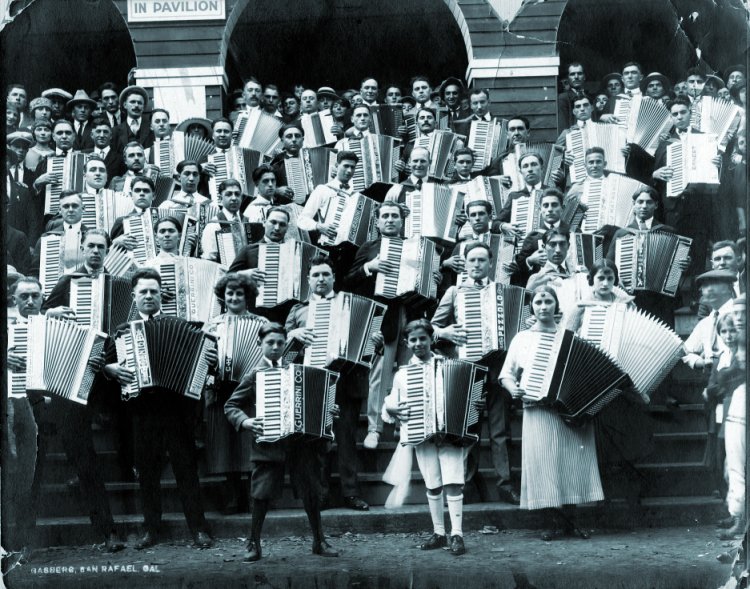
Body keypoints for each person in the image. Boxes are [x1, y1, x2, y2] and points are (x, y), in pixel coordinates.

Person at [102, 267, 214, 550]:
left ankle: (199, 529)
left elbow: (203, 363)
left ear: (161, 295)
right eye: (143, 292)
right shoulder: (122, 332)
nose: (149, 296)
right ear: (134, 296)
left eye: (154, 291)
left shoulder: (181, 326)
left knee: (186, 469)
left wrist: (208, 358)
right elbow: (103, 366)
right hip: (141, 411)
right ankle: (151, 530)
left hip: (176, 410)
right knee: (147, 472)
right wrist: (110, 369)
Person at [41, 229, 127, 552]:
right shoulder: (67, 282)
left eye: (100, 247)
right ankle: (108, 530)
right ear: (81, 248)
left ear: (107, 251)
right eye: (89, 246)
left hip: (106, 374)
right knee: (83, 451)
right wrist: (51, 313)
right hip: (74, 372)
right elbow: (41, 317)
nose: (94, 251)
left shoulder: (119, 284)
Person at [224, 322, 339, 561]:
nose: (276, 347)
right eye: (270, 343)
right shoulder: (254, 374)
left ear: (286, 344)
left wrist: (328, 409)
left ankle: (319, 541)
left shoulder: (297, 369)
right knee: (261, 494)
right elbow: (231, 405)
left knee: (311, 491)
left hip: (301, 444)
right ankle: (253, 543)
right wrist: (246, 422)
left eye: (280, 343)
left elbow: (315, 402)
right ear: (260, 344)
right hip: (269, 445)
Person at [500, 285, 601, 540]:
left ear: (557, 306)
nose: (543, 306)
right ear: (531, 307)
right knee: (544, 464)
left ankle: (571, 522)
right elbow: (506, 374)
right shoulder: (522, 338)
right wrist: (514, 390)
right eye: (538, 302)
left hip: (569, 409)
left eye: (548, 301)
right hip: (538, 409)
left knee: (571, 464)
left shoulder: (569, 337)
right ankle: (555, 523)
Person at [431, 242, 519, 505]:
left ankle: (505, 484)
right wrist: (445, 332)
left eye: (482, 260)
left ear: (490, 263)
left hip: (498, 367)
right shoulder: (455, 291)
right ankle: (466, 485)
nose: (477, 265)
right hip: (467, 367)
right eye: (472, 260)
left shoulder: (503, 291)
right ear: (466, 264)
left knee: (500, 428)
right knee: (468, 427)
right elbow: (433, 326)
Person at [285, 255, 373, 511]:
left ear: (334, 277)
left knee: (346, 437)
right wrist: (292, 334)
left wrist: (372, 343)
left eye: (325, 274)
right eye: (316, 275)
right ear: (308, 280)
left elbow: (365, 344)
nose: (321, 279)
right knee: (316, 438)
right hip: (312, 379)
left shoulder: (350, 303)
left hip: (346, 378)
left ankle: (350, 492)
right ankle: (319, 493)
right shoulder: (298, 310)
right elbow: (284, 354)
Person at [383, 319, 470, 555]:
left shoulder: (448, 364)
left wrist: (473, 403)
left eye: (423, 338)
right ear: (406, 343)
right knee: (433, 485)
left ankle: (457, 534)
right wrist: (391, 410)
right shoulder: (402, 374)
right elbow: (391, 404)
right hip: (422, 434)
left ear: (431, 339)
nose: (419, 343)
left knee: (452, 482)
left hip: (449, 433)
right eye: (413, 340)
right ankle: (439, 532)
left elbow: (466, 393)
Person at [344, 201, 411, 450]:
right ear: (378, 221)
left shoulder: (413, 247)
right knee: (379, 375)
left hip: (410, 312)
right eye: (386, 216)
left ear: (402, 221)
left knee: (409, 372)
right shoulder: (368, 248)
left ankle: (404, 426)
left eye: (395, 216)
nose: (391, 220)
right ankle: (375, 428)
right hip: (381, 315)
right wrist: (367, 268)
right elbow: (348, 281)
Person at [203, 273, 262, 514]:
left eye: (239, 293)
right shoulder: (212, 325)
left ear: (247, 296)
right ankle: (231, 493)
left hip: (251, 388)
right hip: (222, 386)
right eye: (230, 293)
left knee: (248, 441)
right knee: (224, 443)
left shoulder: (261, 323)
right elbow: (203, 361)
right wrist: (209, 361)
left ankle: (251, 494)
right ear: (223, 297)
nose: (234, 297)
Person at [4, 277, 45, 564]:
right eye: (24, 297)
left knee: (32, 477)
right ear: (14, 299)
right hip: (13, 404)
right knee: (12, 473)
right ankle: (10, 543)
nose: (30, 302)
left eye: (35, 296)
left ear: (42, 299)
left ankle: (25, 542)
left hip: (43, 405)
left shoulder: (52, 325)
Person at [201, 179, 245, 262]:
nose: (234, 198)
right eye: (229, 194)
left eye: (237, 194)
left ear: (241, 197)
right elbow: (209, 260)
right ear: (220, 198)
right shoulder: (213, 226)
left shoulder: (248, 220)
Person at [110, 85, 153, 155]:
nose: (136, 105)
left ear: (144, 106)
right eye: (132, 102)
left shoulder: (152, 129)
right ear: (125, 105)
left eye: (139, 103)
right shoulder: (115, 132)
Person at [557, 63, 588, 134]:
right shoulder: (563, 98)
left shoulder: (589, 97)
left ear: (584, 77)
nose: (576, 77)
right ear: (568, 78)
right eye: (572, 74)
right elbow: (563, 128)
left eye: (579, 73)